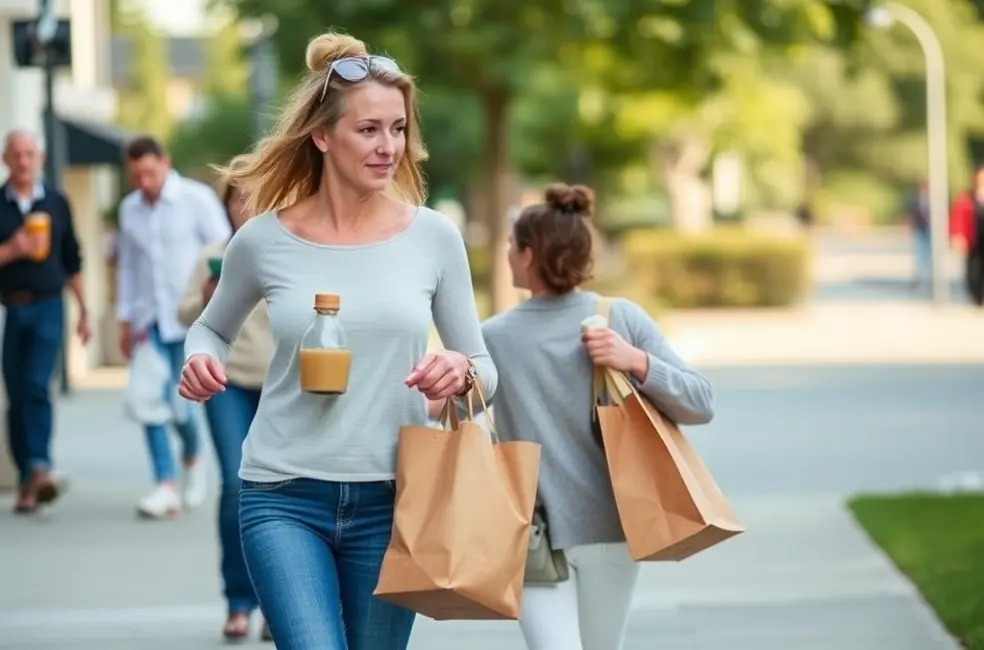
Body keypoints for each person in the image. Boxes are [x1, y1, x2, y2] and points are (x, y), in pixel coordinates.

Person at [177, 32, 496, 650]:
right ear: (322, 135)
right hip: (281, 496)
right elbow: (212, 326)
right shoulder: (263, 240)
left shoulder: (433, 238)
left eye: (398, 129)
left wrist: (460, 369)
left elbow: (483, 365)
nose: (389, 148)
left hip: (392, 496)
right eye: (369, 130)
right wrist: (199, 357)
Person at [443, 183, 714, 650]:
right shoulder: (503, 338)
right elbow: (700, 403)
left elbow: (700, 403)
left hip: (553, 534)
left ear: (527, 256)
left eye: (511, 245)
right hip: (569, 537)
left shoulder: (497, 340)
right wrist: (638, 361)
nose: (507, 254)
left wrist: (633, 360)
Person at [177, 169, 273, 641]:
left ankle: (276, 604)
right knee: (237, 487)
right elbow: (183, 316)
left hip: (280, 387)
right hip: (227, 382)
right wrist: (205, 300)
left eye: (254, 197)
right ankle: (238, 600)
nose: (246, 206)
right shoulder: (213, 257)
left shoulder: (283, 250)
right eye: (238, 199)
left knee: (278, 491)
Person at [115, 135, 232, 518]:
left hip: (191, 321)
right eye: (136, 176)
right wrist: (125, 318)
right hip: (150, 321)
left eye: (150, 172)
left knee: (182, 410)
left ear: (165, 163)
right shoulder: (129, 210)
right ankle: (165, 485)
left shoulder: (196, 199)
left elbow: (226, 251)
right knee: (146, 400)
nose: (144, 182)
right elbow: (128, 267)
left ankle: (193, 456)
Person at [0, 129, 90, 514]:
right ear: (6, 159)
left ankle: (40, 467)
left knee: (38, 384)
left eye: (30, 154)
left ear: (41, 157)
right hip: (11, 308)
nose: (23, 161)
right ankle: (27, 479)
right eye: (16, 154)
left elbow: (72, 260)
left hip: (50, 305)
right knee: (17, 396)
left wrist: (85, 310)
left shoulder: (56, 202)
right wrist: (13, 248)